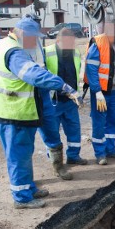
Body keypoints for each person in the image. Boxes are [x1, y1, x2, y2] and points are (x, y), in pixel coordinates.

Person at [0, 16, 81, 208]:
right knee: (18, 155)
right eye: (31, 37)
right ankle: (22, 198)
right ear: (20, 33)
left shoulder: (15, 46)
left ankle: (28, 188)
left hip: (20, 110)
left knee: (24, 152)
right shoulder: (14, 52)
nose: (34, 41)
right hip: (11, 112)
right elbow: (34, 74)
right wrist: (63, 86)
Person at [84, 18, 115, 165]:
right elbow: (91, 70)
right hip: (100, 93)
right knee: (99, 123)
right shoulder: (98, 43)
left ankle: (110, 149)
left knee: (112, 122)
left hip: (113, 92)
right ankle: (100, 153)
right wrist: (97, 92)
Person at [43, 27, 88, 166]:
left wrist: (77, 94)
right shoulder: (47, 52)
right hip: (53, 101)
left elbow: (75, 75)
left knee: (74, 129)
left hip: (70, 101)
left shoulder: (75, 53)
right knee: (52, 132)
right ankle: (55, 161)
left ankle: (73, 156)